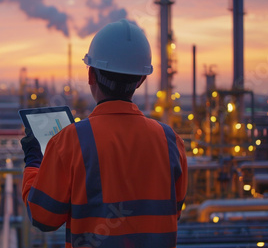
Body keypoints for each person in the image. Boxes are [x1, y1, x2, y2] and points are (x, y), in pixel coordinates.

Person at [21, 19, 188, 248]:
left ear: (91, 76)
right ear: (141, 80)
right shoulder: (171, 141)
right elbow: (174, 209)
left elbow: (42, 217)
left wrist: (34, 163)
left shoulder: (70, 141)